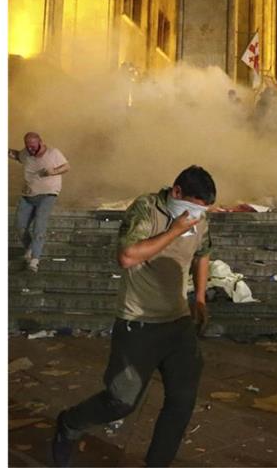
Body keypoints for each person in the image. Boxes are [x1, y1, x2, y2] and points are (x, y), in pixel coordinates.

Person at [52, 166, 216, 467]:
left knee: (182, 401)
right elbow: (126, 256)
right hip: (139, 323)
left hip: (179, 323)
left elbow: (203, 252)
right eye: (194, 207)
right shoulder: (146, 208)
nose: (197, 215)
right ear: (177, 192)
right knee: (121, 401)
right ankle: (70, 423)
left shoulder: (199, 218)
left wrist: (201, 298)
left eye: (202, 210)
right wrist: (175, 230)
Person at [9, 132, 70, 273]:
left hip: (48, 194)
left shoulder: (53, 153)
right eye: (28, 146)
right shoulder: (25, 153)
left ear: (40, 142)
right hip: (28, 195)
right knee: (20, 226)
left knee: (39, 226)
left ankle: (35, 260)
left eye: (33, 146)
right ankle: (31, 248)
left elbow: (66, 167)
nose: (30, 149)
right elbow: (17, 155)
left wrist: (53, 171)